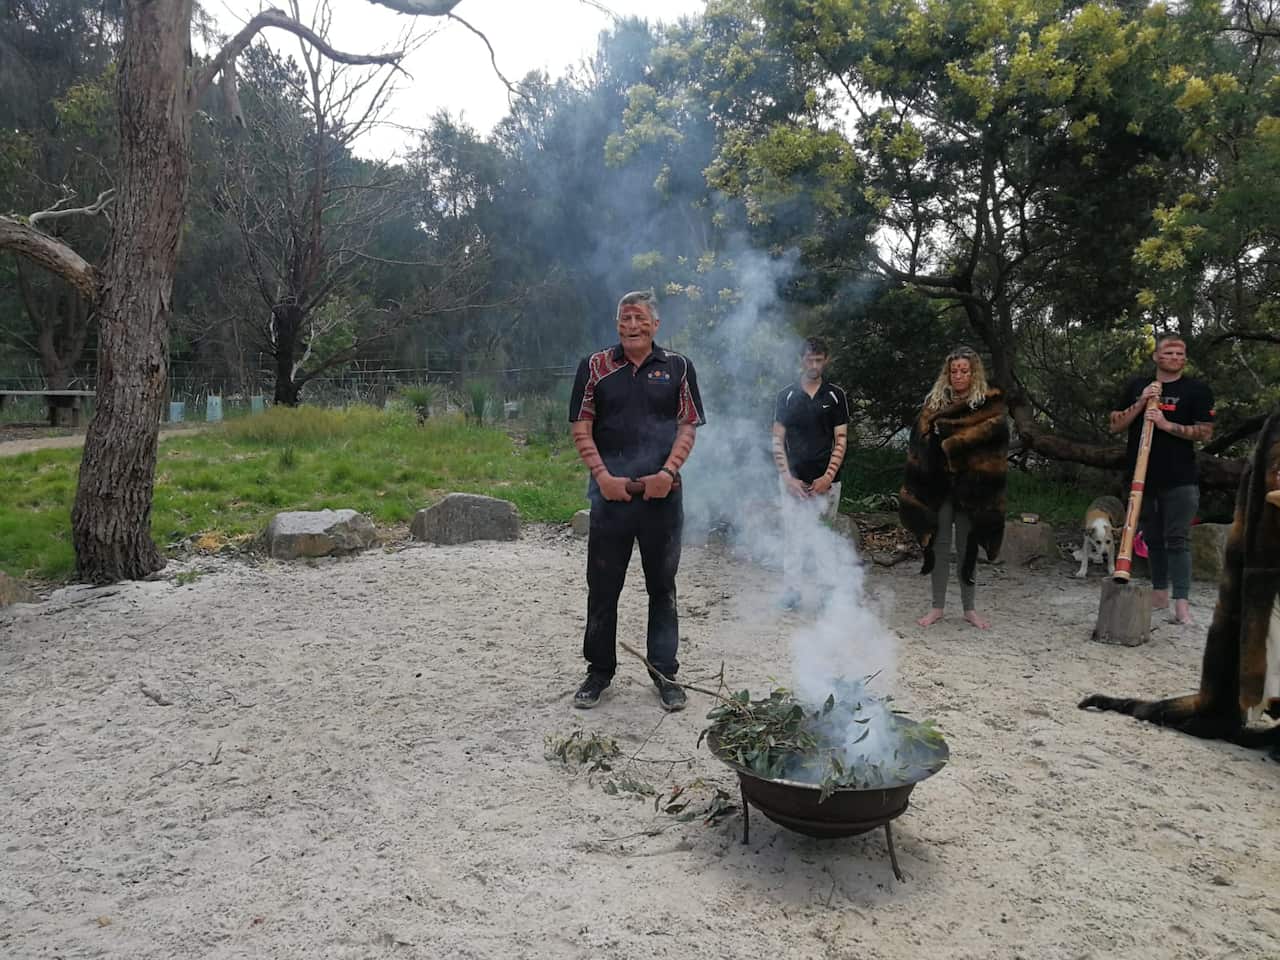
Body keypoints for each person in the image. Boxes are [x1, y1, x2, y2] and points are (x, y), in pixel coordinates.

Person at [567, 290, 706, 711]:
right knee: (602, 587)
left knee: (662, 587)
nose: (632, 326)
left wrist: (668, 472)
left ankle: (664, 673)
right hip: (610, 499)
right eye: (625, 319)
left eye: (640, 318)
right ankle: (599, 671)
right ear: (617, 324)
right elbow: (581, 426)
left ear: (655, 325)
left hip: (662, 499)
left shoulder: (678, 367)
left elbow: (687, 426)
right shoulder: (595, 367)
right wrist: (603, 476)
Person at [899, 346, 1009, 630]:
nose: (959, 375)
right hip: (939, 485)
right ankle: (937, 607)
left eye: (964, 370)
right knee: (939, 543)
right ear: (947, 374)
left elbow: (995, 443)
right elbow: (918, 441)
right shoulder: (934, 403)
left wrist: (954, 441)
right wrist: (933, 440)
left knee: (967, 546)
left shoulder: (987, 405)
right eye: (954, 371)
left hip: (972, 486)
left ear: (974, 373)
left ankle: (969, 609)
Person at [1109, 335, 1215, 625]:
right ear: (1156, 356)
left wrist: (1165, 424)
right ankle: (1159, 595)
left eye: (1180, 353)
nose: (1175, 357)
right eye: (1169, 352)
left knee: (1177, 539)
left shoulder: (1196, 390)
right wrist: (1141, 401)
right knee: (1152, 537)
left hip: (1181, 478)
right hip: (1141, 477)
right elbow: (1115, 424)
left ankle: (1182, 605)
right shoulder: (1137, 386)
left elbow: (1205, 432)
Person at [771, 337, 849, 610]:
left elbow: (841, 439)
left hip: (828, 482)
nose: (814, 365)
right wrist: (787, 478)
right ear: (801, 360)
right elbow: (777, 439)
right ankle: (792, 591)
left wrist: (828, 477)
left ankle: (828, 593)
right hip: (793, 479)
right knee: (793, 537)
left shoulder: (836, 395)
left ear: (826, 360)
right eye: (809, 360)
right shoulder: (786, 396)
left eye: (819, 360)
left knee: (824, 536)